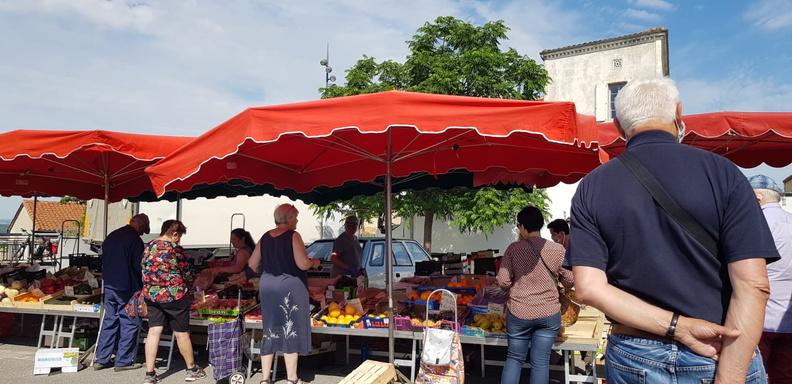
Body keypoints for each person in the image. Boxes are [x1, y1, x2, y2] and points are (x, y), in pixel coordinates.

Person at [568, 77, 779, 383]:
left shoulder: (592, 186)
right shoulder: (723, 174)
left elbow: (588, 288)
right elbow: (754, 285)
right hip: (719, 350)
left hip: (633, 353)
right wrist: (730, 376)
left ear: (617, 126)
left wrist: (677, 326)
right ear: (679, 113)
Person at [496, 206, 573, 384]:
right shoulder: (557, 249)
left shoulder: (513, 249)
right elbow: (570, 280)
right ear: (540, 225)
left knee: (514, 359)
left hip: (519, 312)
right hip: (548, 313)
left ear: (522, 227)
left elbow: (503, 281)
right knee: (541, 363)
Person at [248, 204, 320, 384]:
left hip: (267, 286)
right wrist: (314, 263)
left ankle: (264, 379)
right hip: (289, 287)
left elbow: (252, 264)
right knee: (291, 328)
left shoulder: (265, 237)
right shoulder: (293, 236)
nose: (297, 221)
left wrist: (266, 268)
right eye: (295, 217)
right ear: (288, 218)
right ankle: (292, 379)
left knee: (270, 329)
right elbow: (302, 263)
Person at [140, 220, 206, 384]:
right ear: (175, 234)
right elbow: (188, 273)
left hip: (151, 294)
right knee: (181, 333)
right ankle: (191, 370)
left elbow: (142, 267)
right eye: (179, 236)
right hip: (174, 295)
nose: (179, 240)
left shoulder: (149, 246)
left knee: (154, 331)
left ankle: (150, 374)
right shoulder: (175, 250)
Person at [748, 174, 792, 383]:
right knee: (784, 376)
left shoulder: (755, 224)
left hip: (760, 315)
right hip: (788, 316)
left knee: (754, 374)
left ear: (757, 198)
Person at [94, 213, 150, 371]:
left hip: (109, 285)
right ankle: (123, 361)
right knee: (129, 322)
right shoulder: (134, 240)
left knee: (109, 321)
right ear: (140, 226)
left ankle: (101, 359)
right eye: (143, 231)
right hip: (126, 286)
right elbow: (138, 266)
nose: (142, 234)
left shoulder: (112, 236)